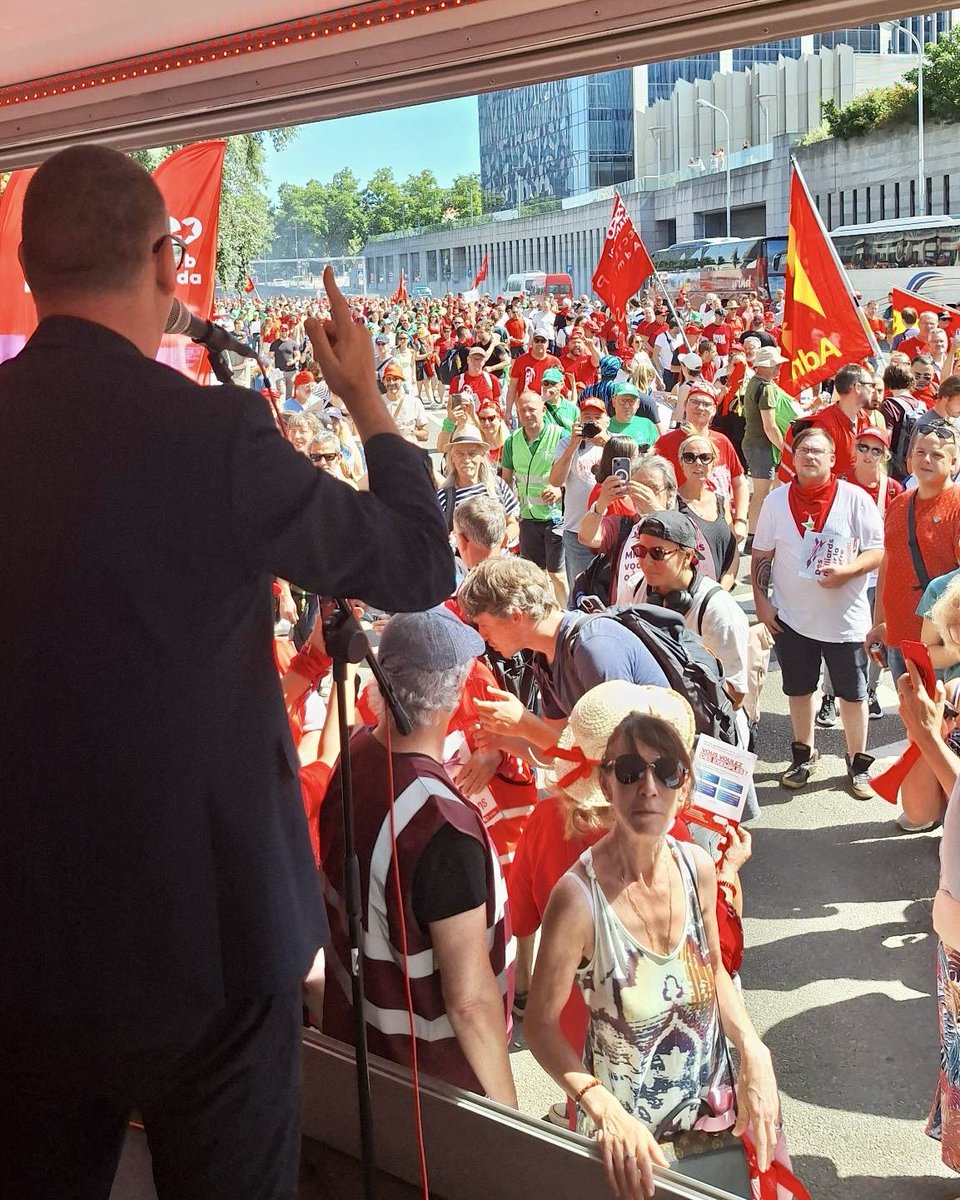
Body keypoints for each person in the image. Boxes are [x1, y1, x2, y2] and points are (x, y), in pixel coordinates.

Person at [0, 145, 455, 1199]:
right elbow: (417, 560)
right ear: (168, 260)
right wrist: (366, 401)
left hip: (26, 935)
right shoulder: (213, 435)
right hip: (213, 933)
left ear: (30, 270)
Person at [524, 709, 781, 1196]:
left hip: (711, 1127)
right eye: (629, 771)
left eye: (666, 772)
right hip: (629, 1147)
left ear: (684, 788)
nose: (649, 787)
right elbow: (538, 1025)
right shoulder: (578, 899)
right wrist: (602, 1108)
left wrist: (753, 1047)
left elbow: (714, 971)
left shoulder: (698, 869)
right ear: (605, 783)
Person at [319, 608, 517, 1104]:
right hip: (432, 1094)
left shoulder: (355, 755)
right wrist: (514, 1120)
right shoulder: (443, 827)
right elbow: (470, 1001)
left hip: (359, 1056)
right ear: (454, 694)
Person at [752, 425, 884, 796]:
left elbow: (877, 551)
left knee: (853, 695)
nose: (809, 456)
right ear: (793, 458)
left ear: (832, 458)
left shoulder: (855, 499)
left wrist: (848, 572)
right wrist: (762, 603)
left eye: (818, 451)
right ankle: (803, 754)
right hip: (792, 618)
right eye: (803, 450)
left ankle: (858, 763)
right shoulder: (776, 501)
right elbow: (762, 554)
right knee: (798, 689)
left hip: (845, 622)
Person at [458, 557, 668, 751]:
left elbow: (616, 754)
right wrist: (502, 740)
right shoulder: (544, 657)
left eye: (484, 625)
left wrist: (524, 724)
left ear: (515, 616)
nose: (483, 636)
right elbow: (560, 749)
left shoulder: (593, 647)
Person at [868, 423, 960, 688]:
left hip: (942, 647)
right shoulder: (899, 503)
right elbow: (889, 562)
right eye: (920, 452)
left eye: (937, 455)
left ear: (954, 463)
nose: (926, 460)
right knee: (911, 721)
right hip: (898, 637)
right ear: (909, 460)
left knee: (944, 725)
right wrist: (880, 622)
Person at [501, 389, 568, 603]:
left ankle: (566, 613)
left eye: (532, 409)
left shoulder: (560, 436)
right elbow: (506, 481)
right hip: (527, 518)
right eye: (522, 410)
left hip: (555, 518)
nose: (527, 414)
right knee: (533, 575)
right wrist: (510, 512)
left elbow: (575, 475)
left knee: (557, 576)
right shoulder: (512, 441)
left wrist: (560, 490)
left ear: (543, 409)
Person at [676, 433, 739, 590]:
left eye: (705, 457)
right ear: (681, 463)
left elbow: (733, 552)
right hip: (685, 596)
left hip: (718, 594)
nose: (698, 463)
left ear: (714, 462)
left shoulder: (721, 502)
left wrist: (720, 592)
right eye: (690, 457)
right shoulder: (672, 503)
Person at [437, 425, 520, 545]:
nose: (466, 459)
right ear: (452, 458)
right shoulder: (444, 497)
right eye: (460, 454)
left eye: (472, 454)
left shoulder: (498, 486)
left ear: (482, 456)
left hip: (497, 561)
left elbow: (513, 523)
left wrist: (502, 540)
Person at [742, 345, 789, 533]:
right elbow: (770, 427)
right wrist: (785, 448)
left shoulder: (755, 382)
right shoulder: (766, 388)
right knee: (761, 494)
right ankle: (753, 535)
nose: (778, 368)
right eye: (774, 364)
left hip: (756, 444)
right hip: (761, 446)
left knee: (763, 492)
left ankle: (756, 532)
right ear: (762, 366)